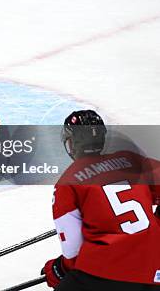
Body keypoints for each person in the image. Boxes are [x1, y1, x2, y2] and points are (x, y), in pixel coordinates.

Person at [42, 110, 160, 290]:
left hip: (107, 271)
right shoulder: (131, 160)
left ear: (72, 143)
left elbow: (73, 251)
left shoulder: (68, 182)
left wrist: (59, 269)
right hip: (154, 269)